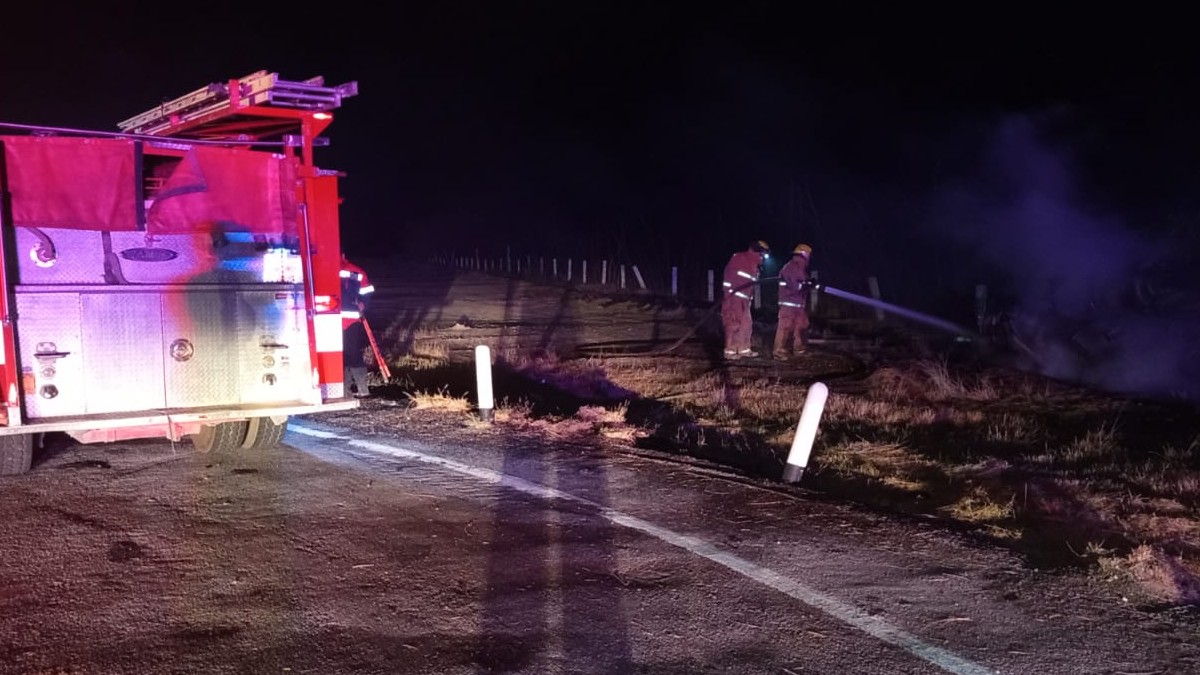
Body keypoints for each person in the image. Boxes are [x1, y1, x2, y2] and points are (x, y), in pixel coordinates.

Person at [721, 240, 770, 360]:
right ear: (759, 251)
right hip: (734, 297)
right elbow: (728, 275)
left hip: (745, 300)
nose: (764, 257)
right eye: (763, 254)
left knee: (746, 324)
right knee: (733, 323)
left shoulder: (754, 265)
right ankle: (730, 351)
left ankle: (744, 349)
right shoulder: (740, 257)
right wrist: (729, 292)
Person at [340, 254, 376, 398]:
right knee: (345, 354)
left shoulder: (356, 272)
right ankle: (345, 389)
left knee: (352, 353)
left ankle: (362, 388)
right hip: (337, 320)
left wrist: (363, 304)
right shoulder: (354, 271)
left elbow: (366, 291)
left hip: (349, 320)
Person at [774, 243, 813, 360]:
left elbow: (801, 283)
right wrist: (805, 285)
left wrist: (808, 283)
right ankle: (778, 351)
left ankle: (799, 349)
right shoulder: (791, 267)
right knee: (785, 327)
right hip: (788, 303)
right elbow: (795, 285)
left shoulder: (800, 268)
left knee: (800, 326)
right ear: (804, 254)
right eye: (808, 255)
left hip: (798, 304)